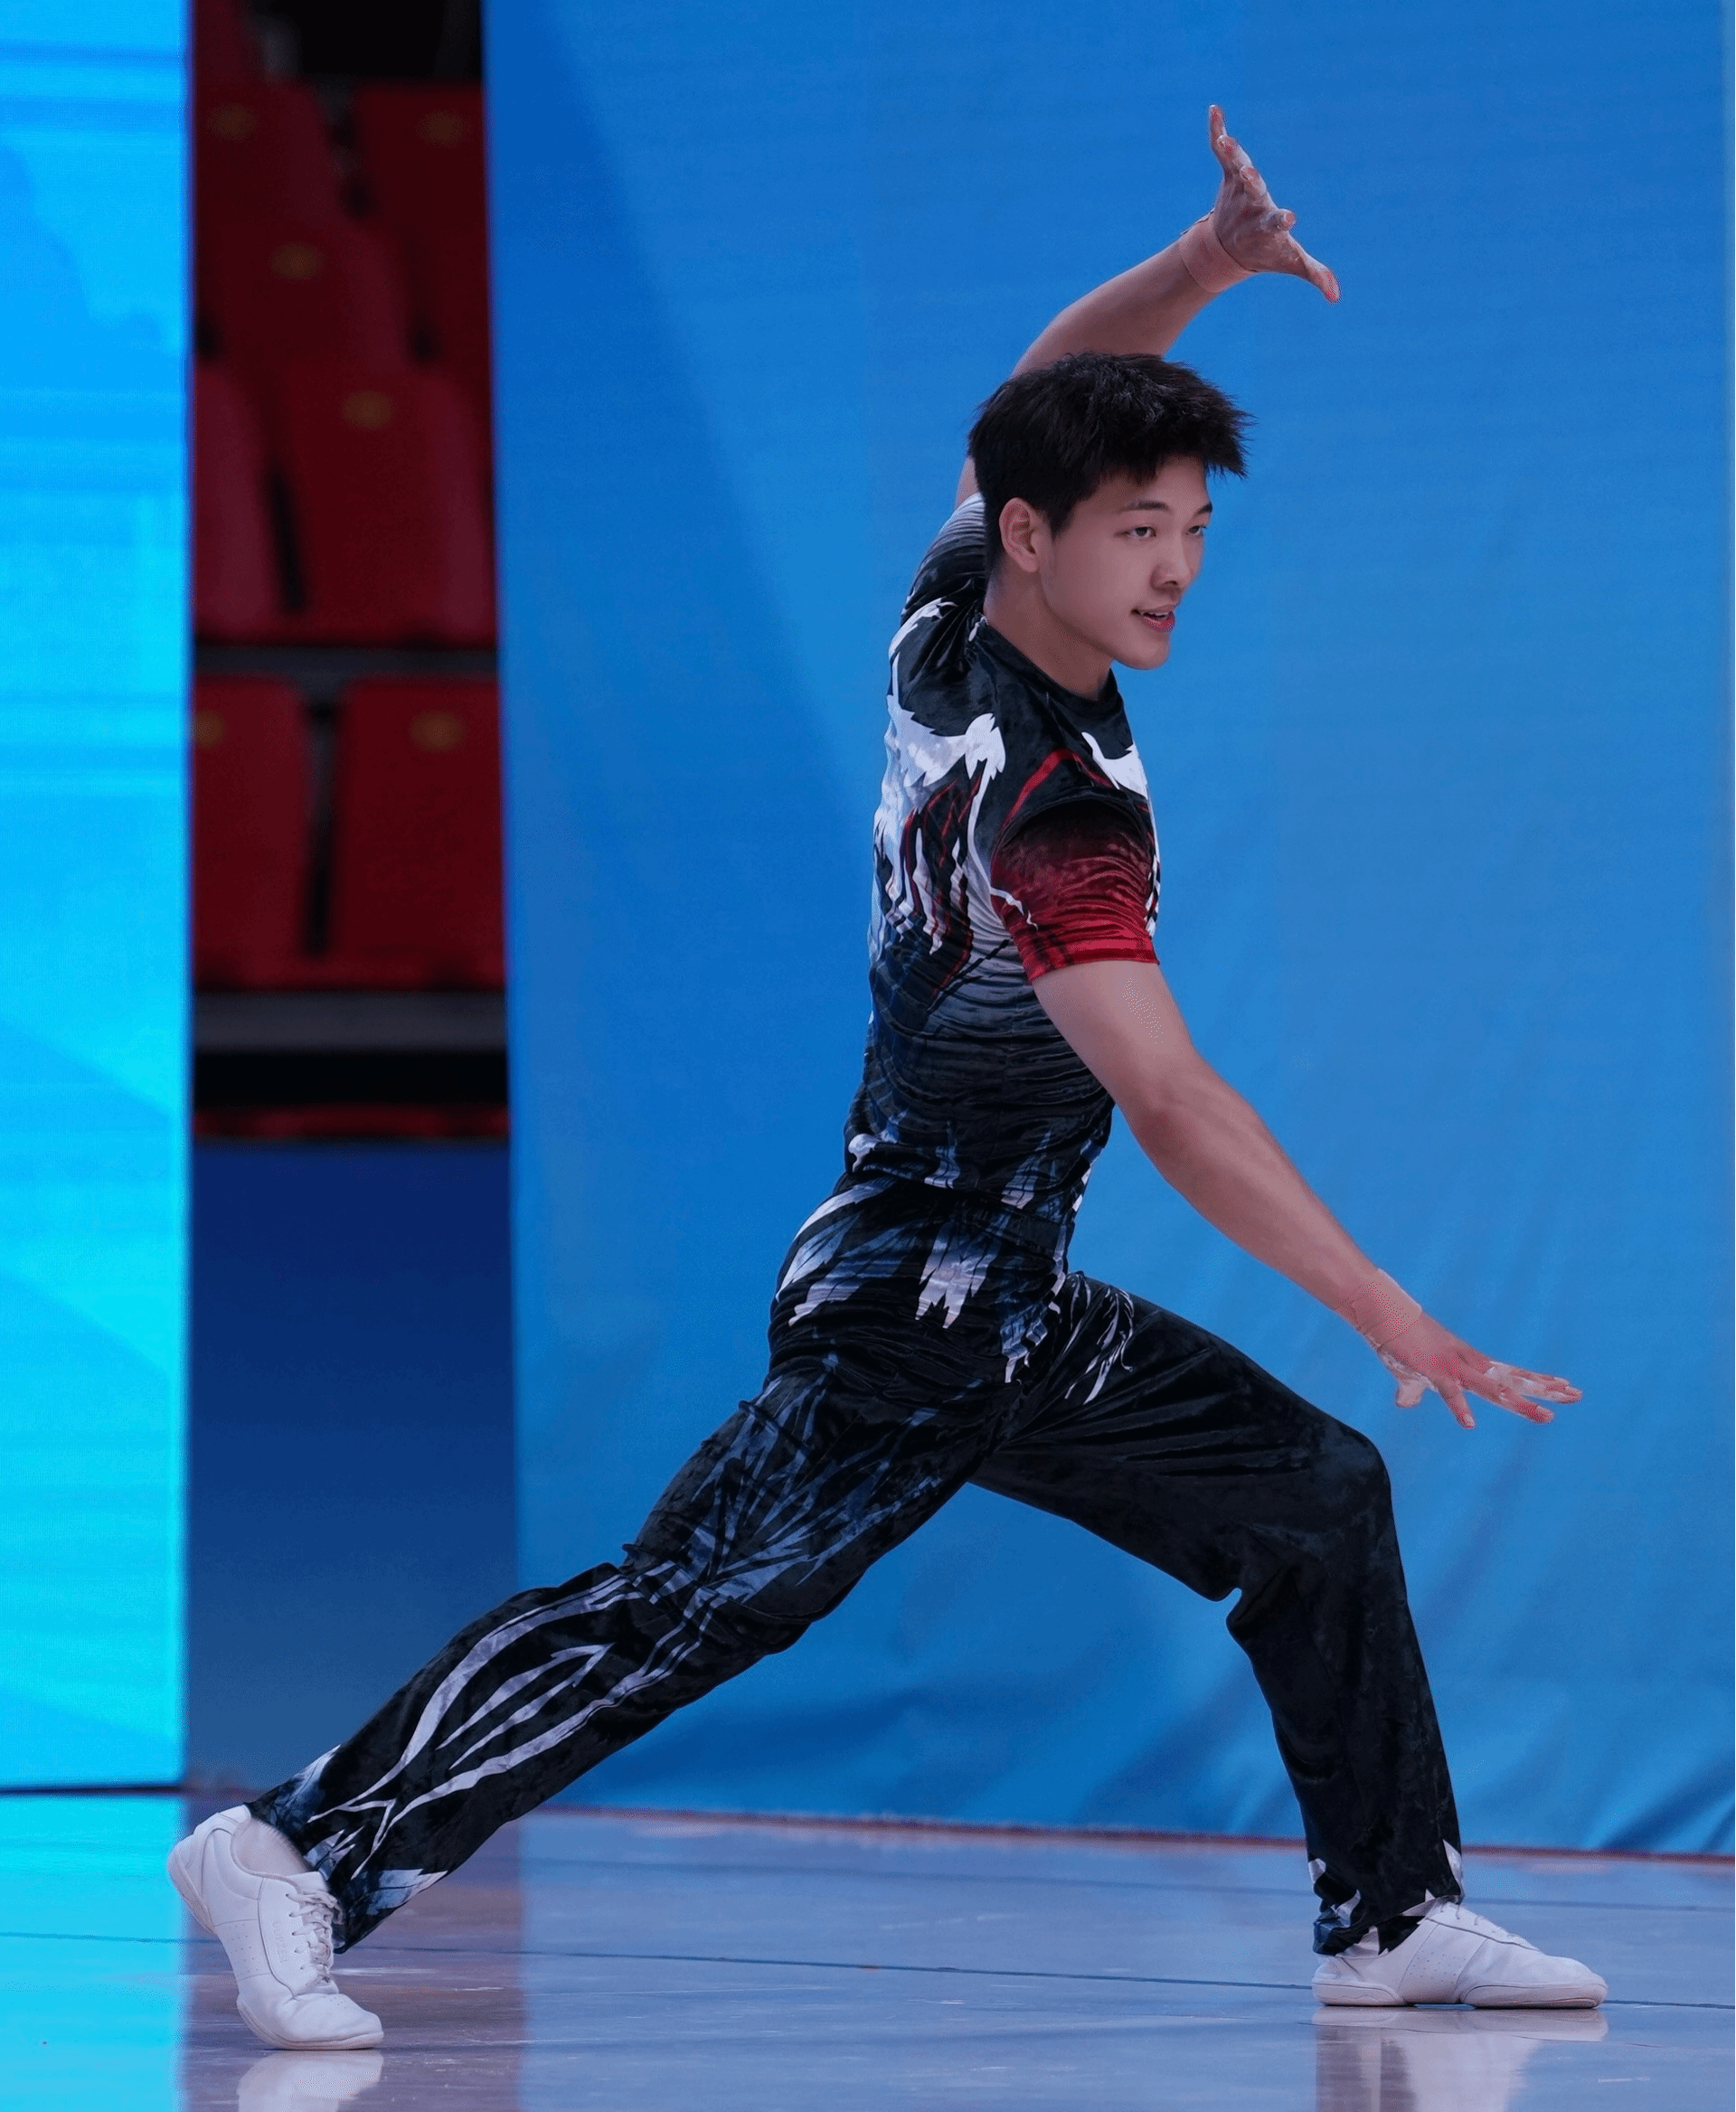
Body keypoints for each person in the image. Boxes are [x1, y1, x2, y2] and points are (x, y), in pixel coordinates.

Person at [169, 107, 1606, 2051]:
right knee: (693, 1603)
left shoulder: (949, 626)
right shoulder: (1059, 813)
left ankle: (1394, 1913)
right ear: (1037, 538)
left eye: (1194, 532)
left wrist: (1201, 268)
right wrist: (1387, 1306)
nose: (1177, 571)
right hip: (917, 1306)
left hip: (1009, 1297)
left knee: (1314, 1499)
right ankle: (297, 1848)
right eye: (1139, 532)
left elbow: (1035, 390)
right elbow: (1175, 1104)